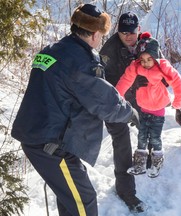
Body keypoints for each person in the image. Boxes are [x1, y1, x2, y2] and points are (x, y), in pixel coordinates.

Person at [11, 4, 140, 216]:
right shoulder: (80, 61)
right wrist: (129, 112)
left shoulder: (53, 50)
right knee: (84, 201)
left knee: (71, 198)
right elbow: (104, 101)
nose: (100, 41)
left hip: (39, 136)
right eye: (101, 35)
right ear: (96, 34)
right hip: (50, 145)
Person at [116, 32, 181, 178]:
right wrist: (117, 97)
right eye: (142, 59)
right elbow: (125, 80)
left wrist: (178, 100)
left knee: (154, 137)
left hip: (158, 108)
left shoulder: (162, 67)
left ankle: (157, 162)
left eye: (149, 59)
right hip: (143, 107)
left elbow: (176, 81)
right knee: (142, 137)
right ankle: (140, 165)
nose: (146, 63)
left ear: (155, 57)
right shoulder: (136, 67)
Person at [99, 11, 147, 212]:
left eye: (132, 31)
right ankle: (125, 189)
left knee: (149, 126)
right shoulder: (109, 50)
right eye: (123, 32)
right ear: (117, 31)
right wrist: (122, 107)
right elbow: (102, 84)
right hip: (115, 100)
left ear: (139, 30)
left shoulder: (147, 46)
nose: (128, 36)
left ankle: (149, 157)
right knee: (122, 140)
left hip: (142, 96)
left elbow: (162, 68)